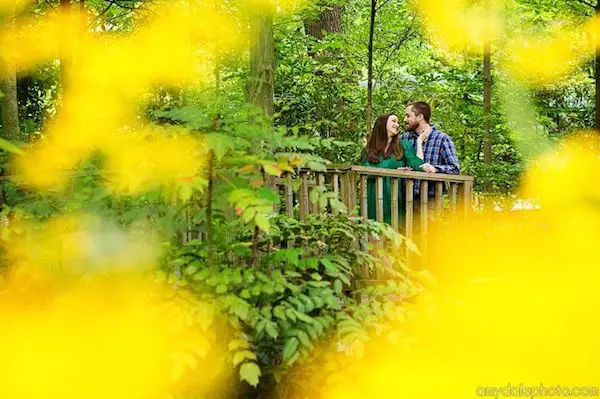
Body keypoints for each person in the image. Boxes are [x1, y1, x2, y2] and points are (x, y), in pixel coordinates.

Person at [361, 113, 424, 224]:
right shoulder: (369, 149)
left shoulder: (403, 145)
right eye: (394, 121)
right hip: (372, 196)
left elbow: (416, 165)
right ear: (382, 124)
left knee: (393, 230)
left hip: (394, 196)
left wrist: (419, 143)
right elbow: (367, 171)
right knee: (372, 233)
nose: (397, 124)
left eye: (397, 122)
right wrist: (392, 168)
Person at [401, 101, 460, 196]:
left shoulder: (442, 139)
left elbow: (455, 168)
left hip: (432, 201)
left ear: (420, 117)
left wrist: (435, 169)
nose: (404, 119)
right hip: (406, 198)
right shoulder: (404, 138)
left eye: (408, 116)